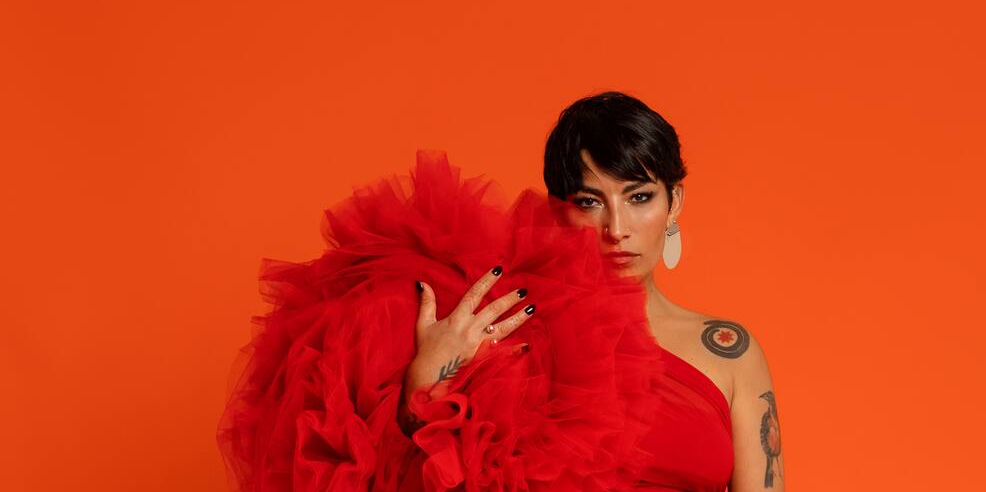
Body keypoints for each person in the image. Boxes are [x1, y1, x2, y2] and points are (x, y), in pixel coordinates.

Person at [217, 92, 784, 491]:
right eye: (590, 202)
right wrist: (422, 390)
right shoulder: (505, 326)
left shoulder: (727, 352)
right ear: (558, 210)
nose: (617, 228)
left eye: (639, 197)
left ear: (674, 202)